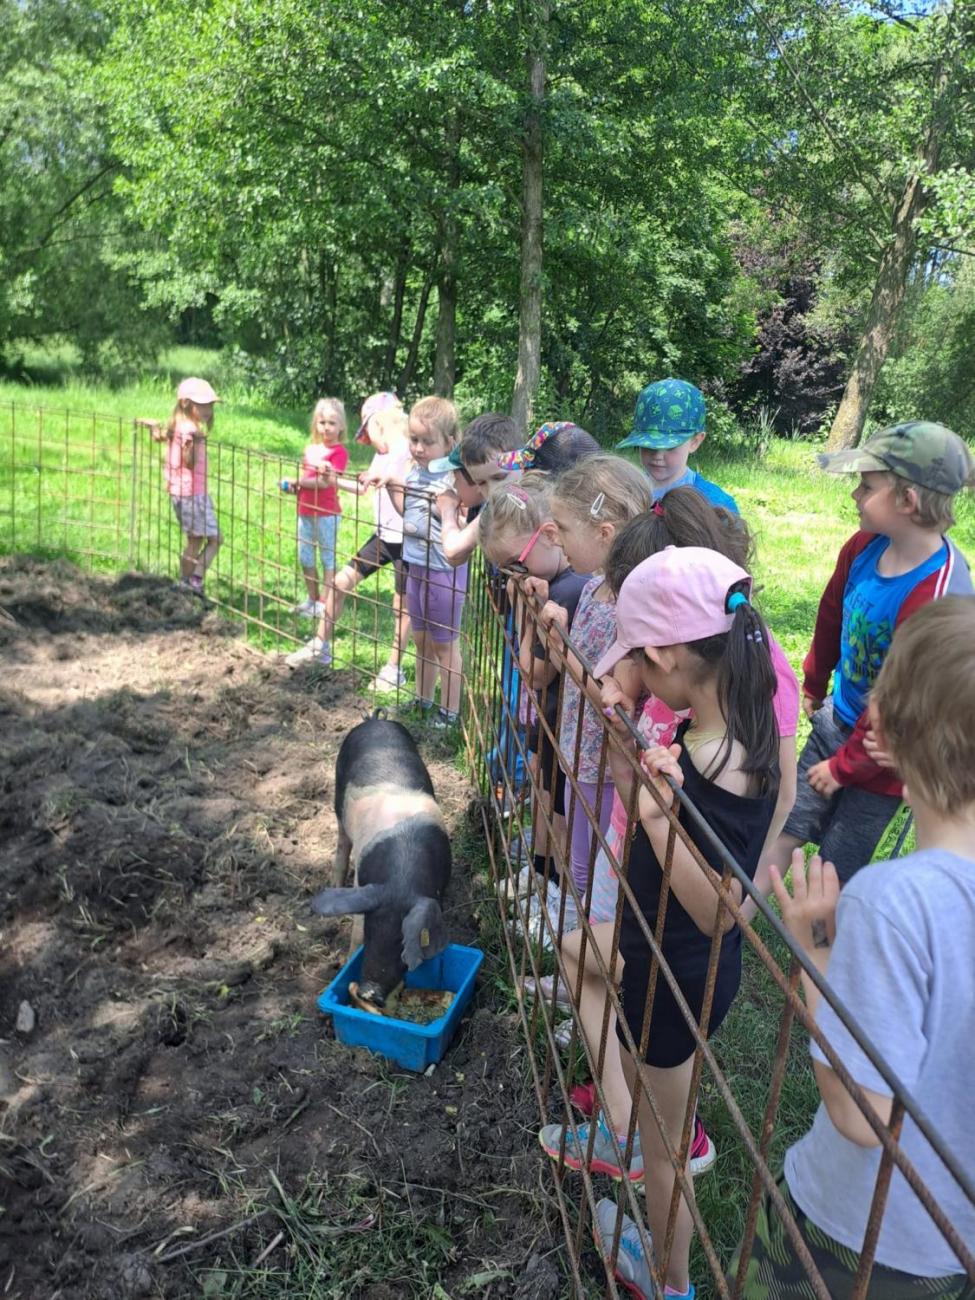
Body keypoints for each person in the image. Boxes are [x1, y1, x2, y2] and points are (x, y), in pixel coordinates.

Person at [536, 488, 799, 1189]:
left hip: (682, 902)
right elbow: (630, 689)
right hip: (647, 870)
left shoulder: (751, 683)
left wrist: (741, 897)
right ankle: (628, 1125)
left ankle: (652, 1137)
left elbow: (773, 802)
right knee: (589, 966)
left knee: (647, 1031)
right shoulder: (696, 663)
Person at [729, 596, 975, 1294]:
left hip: (853, 1233)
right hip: (951, 1249)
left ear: (884, 734)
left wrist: (813, 948)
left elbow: (861, 1114)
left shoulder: (895, 901)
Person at [583, 546, 780, 1300]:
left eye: (638, 657)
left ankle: (668, 1280)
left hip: (679, 971)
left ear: (666, 653)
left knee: (666, 1152)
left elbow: (719, 908)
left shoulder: (723, 759)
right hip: (656, 953)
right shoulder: (716, 726)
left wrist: (646, 805)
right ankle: (629, 1161)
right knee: (585, 969)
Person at [760, 420, 974, 888]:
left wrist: (845, 767)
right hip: (840, 720)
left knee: (834, 867)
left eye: (867, 485)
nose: (855, 494)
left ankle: (811, 958)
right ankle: (729, 927)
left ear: (907, 501)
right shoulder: (863, 546)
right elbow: (832, 612)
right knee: (783, 828)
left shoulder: (939, 593)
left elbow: (906, 699)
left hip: (884, 758)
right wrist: (815, 682)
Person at [536, 455, 651, 900]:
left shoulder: (629, 603)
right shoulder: (591, 587)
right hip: (578, 745)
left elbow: (616, 694)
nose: (556, 539)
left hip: (604, 761)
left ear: (604, 533)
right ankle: (571, 932)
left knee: (596, 862)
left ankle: (579, 950)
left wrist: (564, 652)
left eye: (563, 528)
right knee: (578, 850)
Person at [478, 474, 591, 899]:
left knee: (560, 809)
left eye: (515, 565)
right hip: (550, 725)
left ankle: (559, 893)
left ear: (548, 537)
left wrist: (528, 614)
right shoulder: (555, 582)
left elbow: (535, 672)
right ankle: (542, 875)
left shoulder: (565, 593)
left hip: (567, 730)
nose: (512, 576)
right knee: (544, 797)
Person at [285, 392, 413, 687]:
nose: (367, 438)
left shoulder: (407, 450)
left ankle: (393, 669)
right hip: (383, 537)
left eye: (367, 430)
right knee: (340, 582)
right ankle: (320, 645)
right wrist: (334, 480)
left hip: (408, 542)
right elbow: (363, 489)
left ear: (380, 424)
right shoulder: (382, 454)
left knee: (401, 606)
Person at [387, 396, 466, 725]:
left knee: (444, 643)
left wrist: (446, 509)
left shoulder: (454, 479)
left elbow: (461, 523)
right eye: (414, 440)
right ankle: (423, 699)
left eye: (426, 442)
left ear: (449, 442)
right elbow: (409, 515)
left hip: (444, 571)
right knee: (421, 638)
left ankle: (449, 711)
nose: (418, 448)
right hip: (416, 564)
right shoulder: (415, 473)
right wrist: (393, 487)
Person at [146, 377, 223, 593]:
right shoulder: (189, 430)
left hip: (182, 492)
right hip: (192, 494)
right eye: (202, 405)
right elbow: (188, 462)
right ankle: (191, 581)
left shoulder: (178, 426)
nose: (208, 409)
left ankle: (188, 581)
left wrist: (154, 429)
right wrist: (194, 442)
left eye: (210, 405)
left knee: (198, 540)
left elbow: (162, 438)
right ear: (186, 404)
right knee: (207, 540)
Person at [615, 378, 738, 512]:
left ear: (695, 442)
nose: (657, 455)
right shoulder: (623, 493)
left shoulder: (715, 505)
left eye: (670, 447)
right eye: (649, 445)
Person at [283, 397, 349, 621]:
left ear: (341, 426)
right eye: (322, 422)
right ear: (315, 424)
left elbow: (323, 483)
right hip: (305, 510)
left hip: (327, 514)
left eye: (332, 423)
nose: (326, 428)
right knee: (306, 557)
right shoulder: (310, 450)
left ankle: (324, 602)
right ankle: (312, 598)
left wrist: (298, 481)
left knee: (327, 558)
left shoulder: (338, 453)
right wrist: (295, 487)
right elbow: (308, 480)